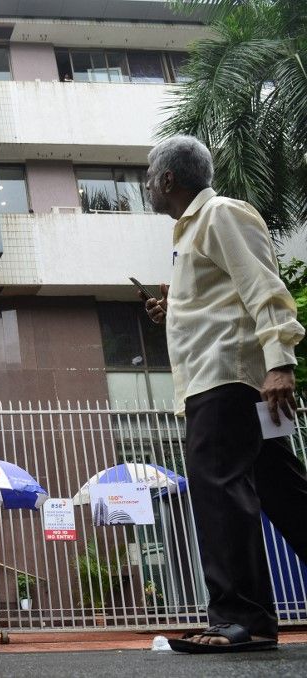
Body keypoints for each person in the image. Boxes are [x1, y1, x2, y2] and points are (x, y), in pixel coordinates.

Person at [141, 135, 307, 654]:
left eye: (149, 175)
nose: (146, 184)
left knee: (218, 489)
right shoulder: (190, 232)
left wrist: (281, 359)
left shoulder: (220, 214)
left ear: (168, 179)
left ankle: (242, 619)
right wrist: (177, 309)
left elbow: (264, 285)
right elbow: (224, 299)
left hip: (225, 380)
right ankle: (246, 618)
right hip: (226, 377)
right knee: (287, 495)